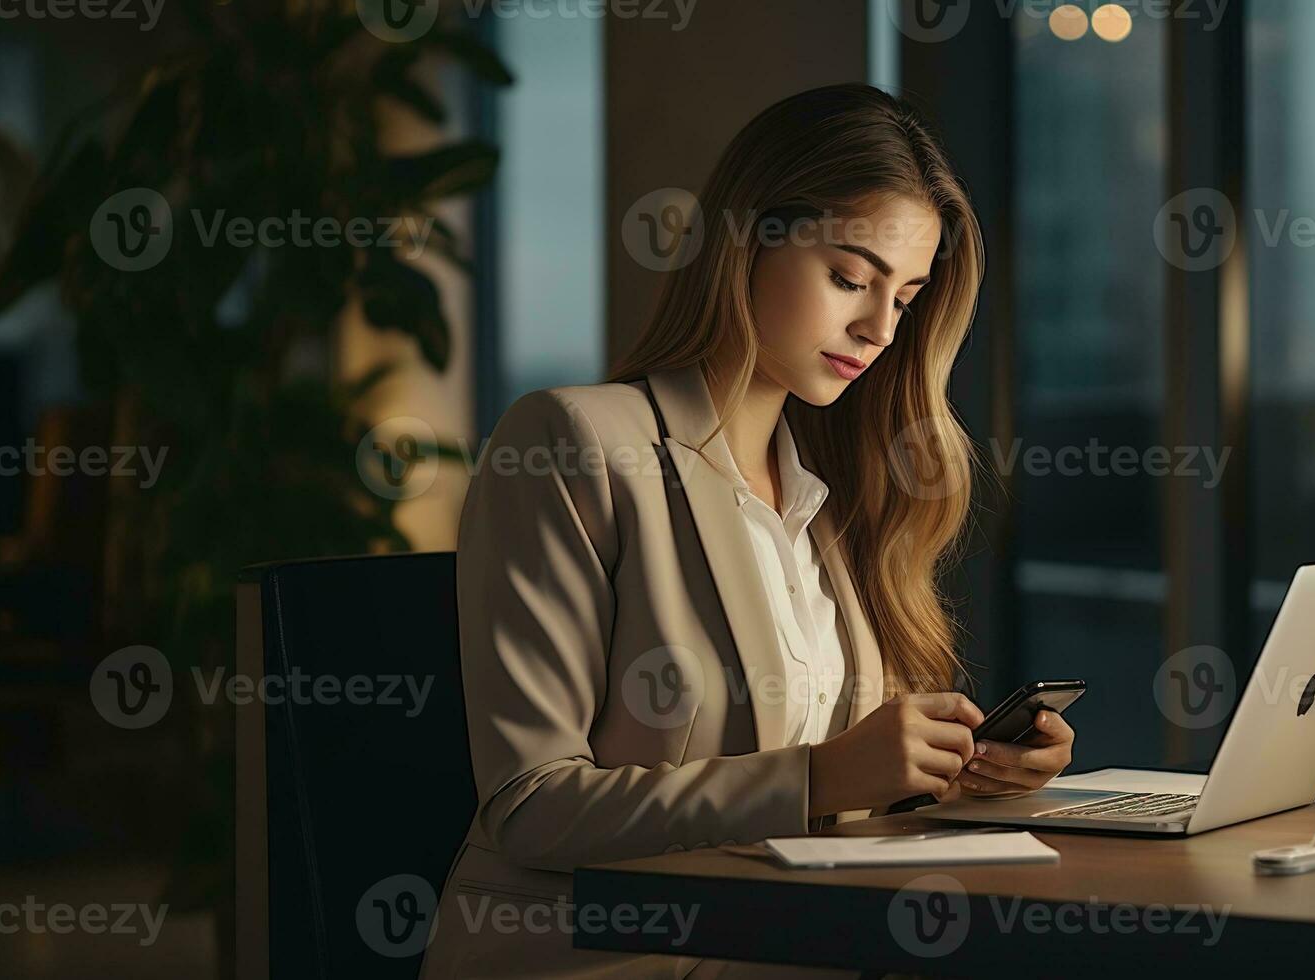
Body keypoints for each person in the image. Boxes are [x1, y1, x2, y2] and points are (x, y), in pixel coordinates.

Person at [421, 83, 1075, 979]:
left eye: (907, 297)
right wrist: (824, 776)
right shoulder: (572, 442)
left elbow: (836, 807)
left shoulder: (841, 498)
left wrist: (956, 771)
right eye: (848, 277)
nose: (878, 328)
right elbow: (532, 807)